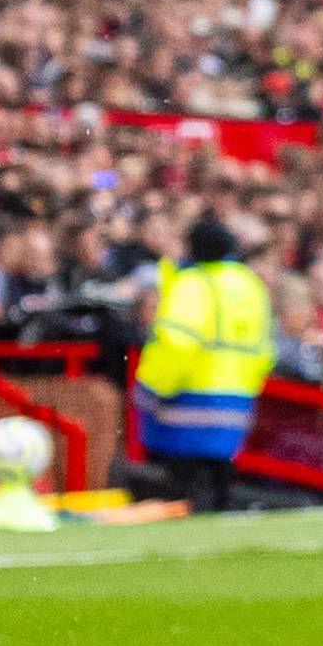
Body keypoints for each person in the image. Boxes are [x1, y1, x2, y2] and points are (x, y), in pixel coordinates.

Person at [132, 210, 273, 513]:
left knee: (185, 490)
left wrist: (151, 388)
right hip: (237, 400)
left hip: (189, 400)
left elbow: (177, 343)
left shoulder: (193, 284)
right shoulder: (251, 285)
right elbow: (264, 348)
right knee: (221, 482)